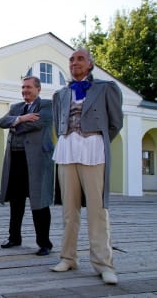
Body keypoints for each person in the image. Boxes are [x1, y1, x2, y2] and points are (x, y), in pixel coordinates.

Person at [51, 49, 123, 285]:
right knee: (69, 210)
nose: (75, 63)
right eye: (71, 59)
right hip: (67, 148)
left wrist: (96, 140)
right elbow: (57, 122)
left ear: (90, 64)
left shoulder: (106, 87)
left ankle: (104, 264)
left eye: (80, 59)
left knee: (97, 209)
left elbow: (115, 123)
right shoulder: (60, 93)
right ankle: (68, 257)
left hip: (93, 149)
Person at [0, 76, 54, 256]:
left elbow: (38, 123)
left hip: (37, 161)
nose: (25, 91)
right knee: (16, 201)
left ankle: (44, 243)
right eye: (23, 88)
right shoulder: (16, 108)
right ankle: (14, 237)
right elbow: (1, 122)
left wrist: (15, 124)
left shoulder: (47, 105)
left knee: (40, 203)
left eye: (29, 87)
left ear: (38, 89)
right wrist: (21, 118)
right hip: (16, 159)